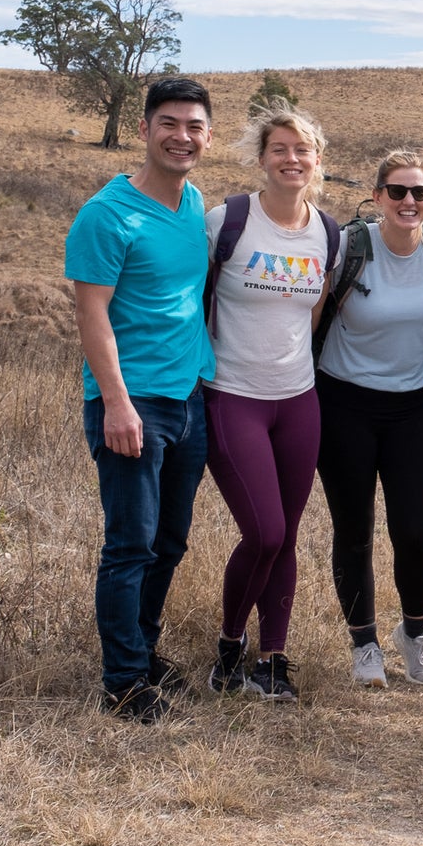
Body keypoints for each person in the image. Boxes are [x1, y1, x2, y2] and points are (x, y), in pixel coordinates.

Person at [64, 76, 217, 723]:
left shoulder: (193, 204)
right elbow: (91, 315)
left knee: (170, 541)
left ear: (207, 136)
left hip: (187, 400)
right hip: (132, 404)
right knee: (131, 544)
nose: (182, 137)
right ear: (144, 129)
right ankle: (123, 683)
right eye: (169, 124)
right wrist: (117, 405)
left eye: (194, 127)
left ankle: (145, 653)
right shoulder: (106, 215)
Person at [315, 150, 423, 689]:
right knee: (354, 529)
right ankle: (364, 645)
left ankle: (415, 636)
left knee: (415, 530)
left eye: (419, 192)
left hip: (412, 409)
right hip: (344, 404)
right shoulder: (349, 246)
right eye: (397, 191)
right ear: (378, 196)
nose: (409, 201)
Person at [200, 100, 335, 703]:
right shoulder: (227, 221)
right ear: (261, 159)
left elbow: (313, 315)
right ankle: (230, 646)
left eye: (301, 149)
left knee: (287, 534)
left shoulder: (327, 233)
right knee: (265, 531)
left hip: (298, 402)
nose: (291, 158)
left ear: (317, 160)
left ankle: (272, 660)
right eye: (279, 149)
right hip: (234, 399)